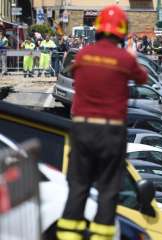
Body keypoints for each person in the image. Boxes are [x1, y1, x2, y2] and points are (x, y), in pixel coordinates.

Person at [55, 5, 148, 240]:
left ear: (97, 29)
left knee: (78, 185)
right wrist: (131, 56)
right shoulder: (124, 59)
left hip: (82, 128)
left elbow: (76, 74)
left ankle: (67, 235)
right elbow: (142, 78)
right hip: (111, 131)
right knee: (108, 188)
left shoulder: (84, 54)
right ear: (122, 31)